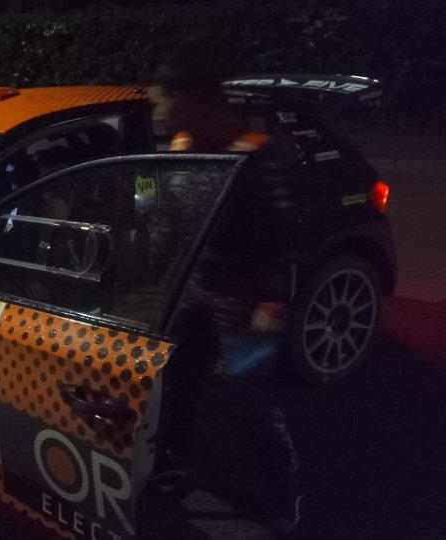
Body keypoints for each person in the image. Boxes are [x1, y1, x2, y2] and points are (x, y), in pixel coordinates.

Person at [149, 35, 304, 536]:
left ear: (194, 97)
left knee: (244, 394)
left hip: (251, 293)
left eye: (164, 101)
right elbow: (170, 221)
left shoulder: (253, 153)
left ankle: (282, 493)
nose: (159, 112)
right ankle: (176, 461)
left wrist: (268, 304)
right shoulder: (183, 146)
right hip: (198, 284)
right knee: (178, 373)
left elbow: (284, 236)